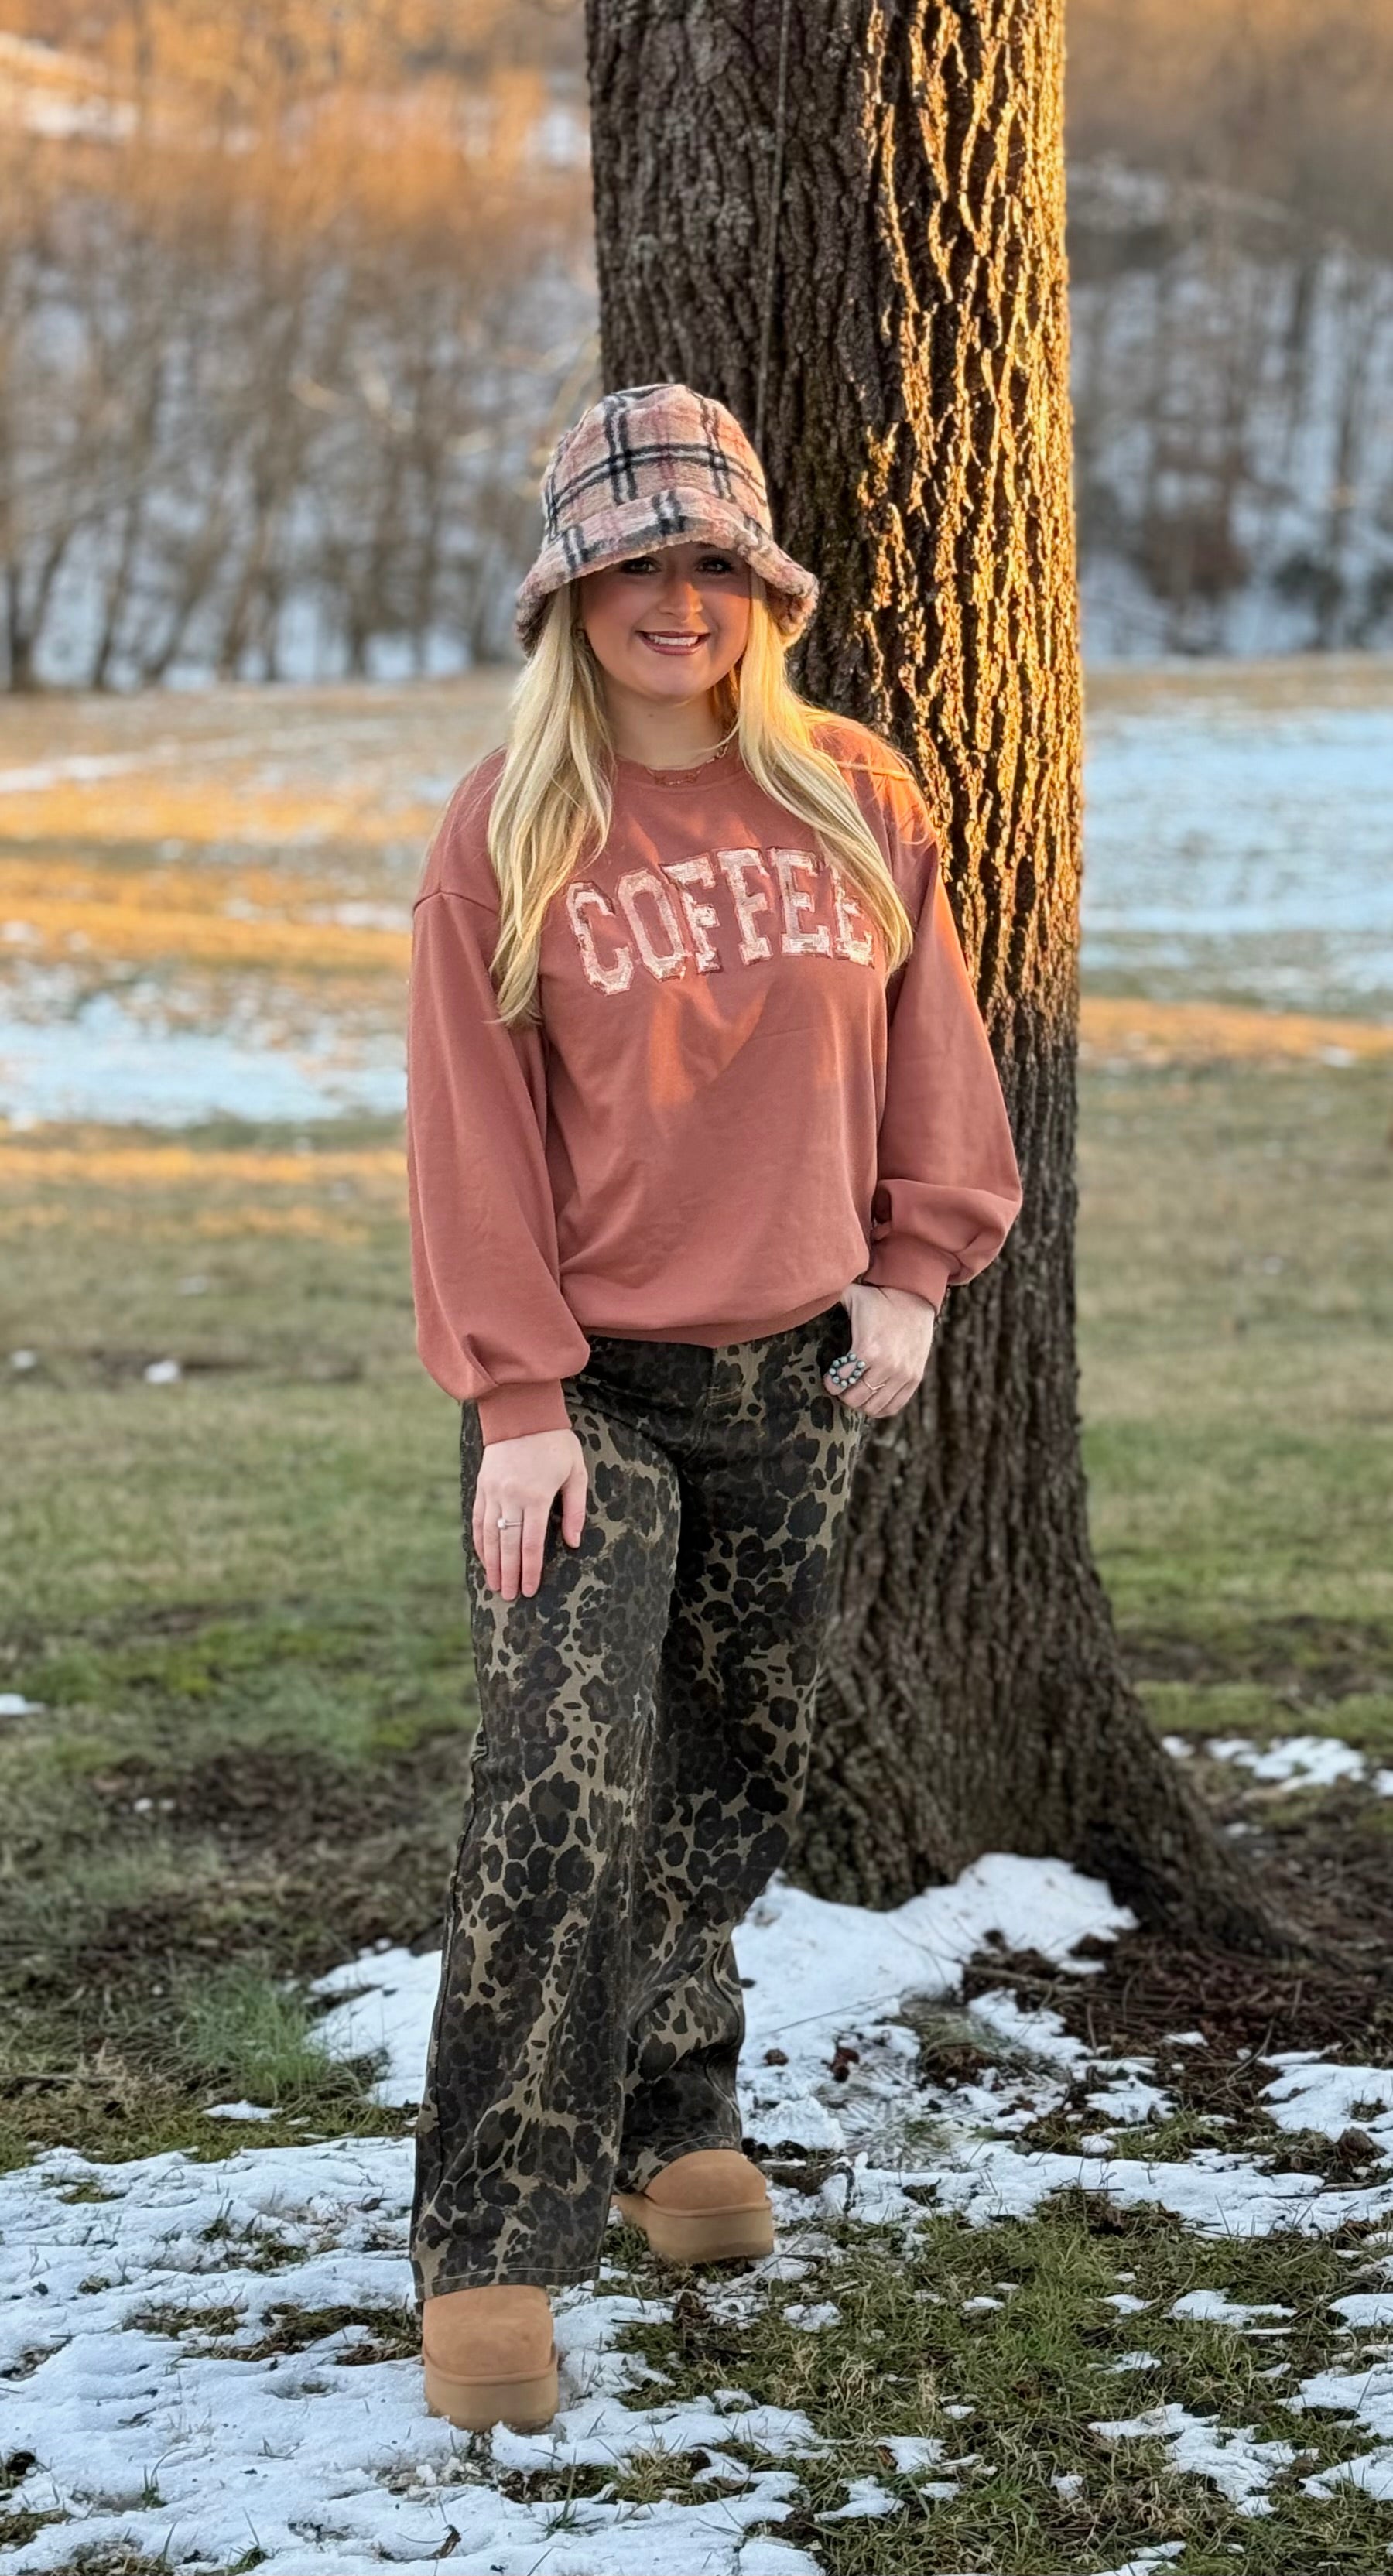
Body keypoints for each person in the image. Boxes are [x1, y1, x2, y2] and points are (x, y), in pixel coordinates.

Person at [403, 380, 1023, 2434]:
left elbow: (934, 1044)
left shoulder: (855, 786)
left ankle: (676, 2126)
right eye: (632, 565)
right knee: (563, 1787)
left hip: (798, 1371)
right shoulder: (511, 825)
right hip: (581, 1398)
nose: (676, 601)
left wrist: (916, 1267)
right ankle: (491, 2244)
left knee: (730, 1772)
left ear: (760, 585)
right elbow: (467, 1132)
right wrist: (513, 1395)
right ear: (571, 595)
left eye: (710, 563)